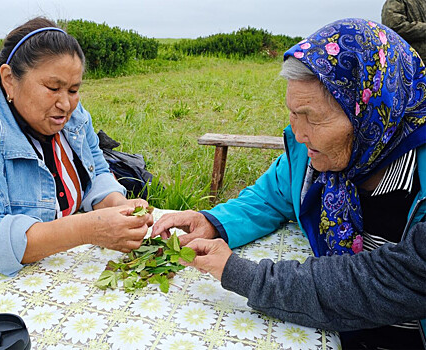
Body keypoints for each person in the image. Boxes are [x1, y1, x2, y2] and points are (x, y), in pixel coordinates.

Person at [152, 18, 426, 349]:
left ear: (370, 112)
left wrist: (244, 275)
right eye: (293, 114)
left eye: (313, 117)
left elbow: (381, 283)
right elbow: (271, 196)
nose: (298, 134)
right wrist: (212, 222)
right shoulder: (311, 154)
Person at [0, 17, 152, 306]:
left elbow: (94, 166)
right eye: (53, 87)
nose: (66, 104)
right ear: (9, 79)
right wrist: (89, 229)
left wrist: (115, 204)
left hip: (26, 283)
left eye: (73, 89)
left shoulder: (70, 114)